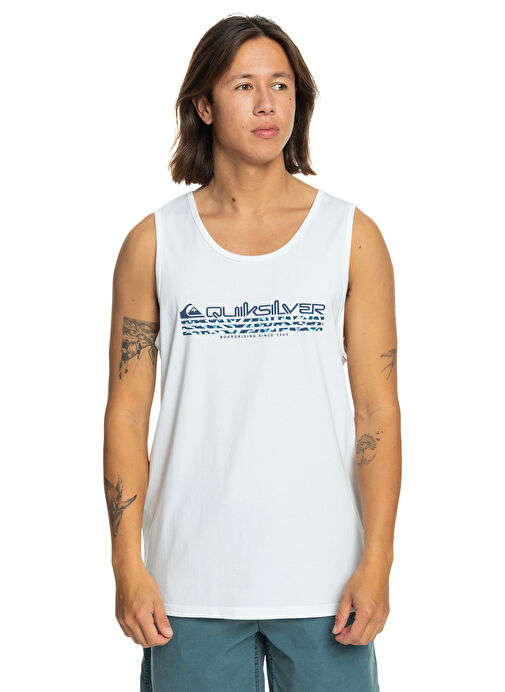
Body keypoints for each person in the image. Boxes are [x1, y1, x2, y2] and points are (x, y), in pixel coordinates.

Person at [103, 13, 401, 692]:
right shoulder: (154, 243)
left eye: (281, 85)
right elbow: (126, 414)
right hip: (188, 587)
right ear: (204, 106)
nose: (267, 103)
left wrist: (377, 561)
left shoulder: (351, 236)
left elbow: (377, 412)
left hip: (328, 587)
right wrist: (127, 565)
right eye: (244, 85)